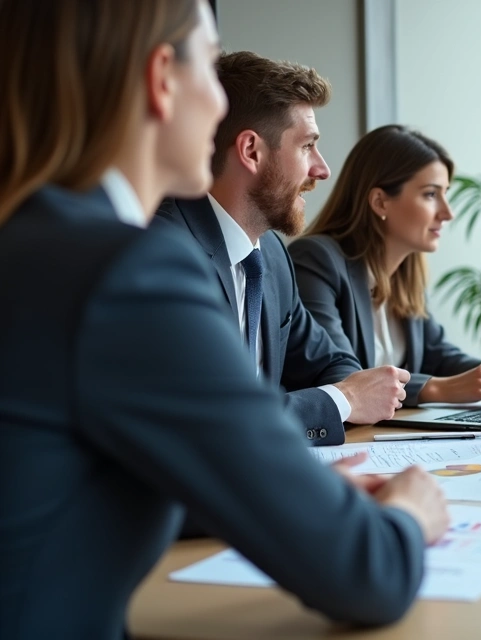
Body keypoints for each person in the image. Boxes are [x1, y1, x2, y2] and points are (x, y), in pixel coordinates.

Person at [0, 1, 448, 637]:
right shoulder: (126, 271)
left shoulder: (40, 240)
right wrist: (407, 517)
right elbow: (367, 573)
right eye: (210, 71)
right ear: (162, 79)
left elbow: (96, 485)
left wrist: (285, 495)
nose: (219, 106)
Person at [156, 51, 409, 445]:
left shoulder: (270, 254)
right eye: (308, 146)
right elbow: (214, 419)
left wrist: (343, 394)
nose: (322, 169)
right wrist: (342, 400)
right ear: (251, 151)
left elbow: (335, 365)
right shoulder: (166, 251)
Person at [289, 125, 481, 406]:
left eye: (445, 193)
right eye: (431, 194)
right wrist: (437, 389)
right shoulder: (316, 260)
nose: (448, 213)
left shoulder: (405, 275)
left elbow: (438, 355)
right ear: (380, 202)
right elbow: (339, 377)